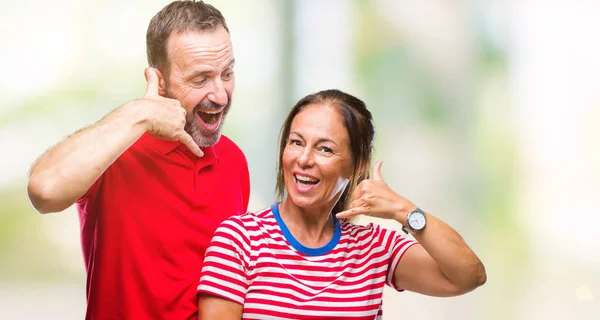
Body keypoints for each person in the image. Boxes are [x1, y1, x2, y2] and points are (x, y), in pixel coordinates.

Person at [26, 1, 249, 319]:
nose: (221, 94)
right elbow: (43, 191)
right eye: (200, 80)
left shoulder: (234, 161)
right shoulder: (114, 151)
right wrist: (138, 112)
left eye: (227, 73)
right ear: (160, 82)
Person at [197, 89, 487, 319]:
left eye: (325, 149)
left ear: (356, 165)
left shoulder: (374, 247)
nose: (304, 159)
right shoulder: (239, 240)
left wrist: (403, 210)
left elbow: (468, 275)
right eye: (296, 142)